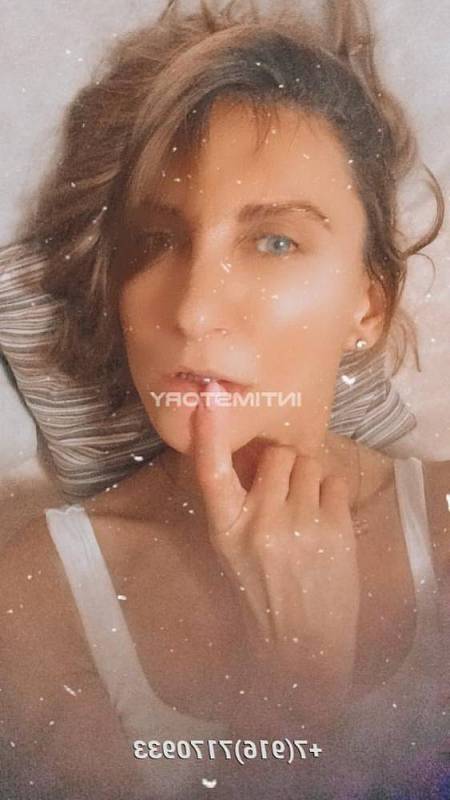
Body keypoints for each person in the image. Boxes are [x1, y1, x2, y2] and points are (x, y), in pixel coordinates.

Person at [0, 1, 449, 798]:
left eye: (275, 240)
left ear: (368, 304)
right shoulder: (34, 602)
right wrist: (290, 698)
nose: (193, 307)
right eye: (156, 240)